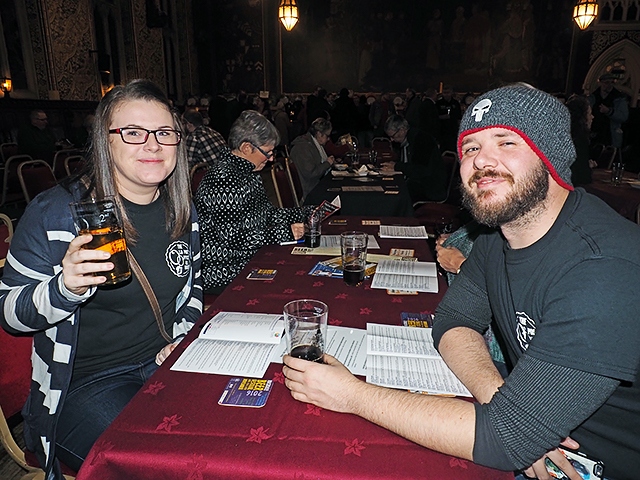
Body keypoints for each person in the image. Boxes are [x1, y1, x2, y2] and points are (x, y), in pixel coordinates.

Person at [283, 84, 640, 480]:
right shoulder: (496, 233)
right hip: (530, 431)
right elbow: (453, 319)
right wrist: (506, 404)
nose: (482, 161)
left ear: (550, 156)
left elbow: (504, 440)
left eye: (506, 142)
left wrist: (351, 395)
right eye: (471, 147)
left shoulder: (606, 268)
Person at [0, 79, 203, 478]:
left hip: (164, 364)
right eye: (133, 132)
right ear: (104, 141)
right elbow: (8, 312)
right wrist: (64, 288)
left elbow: (189, 290)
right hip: (82, 385)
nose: (153, 145)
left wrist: (180, 338)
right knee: (161, 465)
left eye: (164, 133)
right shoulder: (55, 214)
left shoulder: (181, 209)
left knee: (224, 438)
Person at [195, 110, 314, 295]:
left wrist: (304, 212)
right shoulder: (223, 180)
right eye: (267, 152)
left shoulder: (248, 173)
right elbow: (233, 237)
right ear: (246, 148)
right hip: (226, 271)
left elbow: (267, 214)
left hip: (250, 258)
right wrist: (284, 232)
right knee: (296, 283)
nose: (272, 158)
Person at [382, 115, 447, 203]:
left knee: (392, 196)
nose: (392, 140)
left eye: (393, 136)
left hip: (429, 187)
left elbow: (420, 170)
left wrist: (397, 166)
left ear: (402, 130)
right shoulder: (407, 140)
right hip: (418, 183)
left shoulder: (421, 140)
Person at [289, 118, 335, 199]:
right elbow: (311, 174)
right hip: (309, 191)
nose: (328, 139)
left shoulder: (312, 143)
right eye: (327, 136)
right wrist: (327, 163)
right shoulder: (303, 148)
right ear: (318, 134)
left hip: (314, 186)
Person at [588, 73, 628, 149]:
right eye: (606, 82)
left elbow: (624, 116)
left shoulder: (619, 98)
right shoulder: (593, 97)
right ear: (600, 83)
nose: (609, 85)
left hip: (610, 136)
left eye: (612, 82)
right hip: (594, 135)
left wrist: (609, 111)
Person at [566, 95, 594, 186]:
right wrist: (587, 167)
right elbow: (583, 177)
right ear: (582, 117)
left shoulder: (563, 134)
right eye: (589, 114)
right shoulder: (580, 140)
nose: (592, 117)